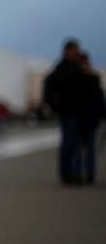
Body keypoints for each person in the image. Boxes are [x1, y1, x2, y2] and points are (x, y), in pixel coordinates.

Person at [44, 39, 84, 184]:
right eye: (74, 50)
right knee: (69, 143)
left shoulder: (76, 67)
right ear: (68, 50)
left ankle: (74, 173)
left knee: (75, 144)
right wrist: (55, 104)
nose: (76, 52)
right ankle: (67, 174)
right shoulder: (62, 69)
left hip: (77, 112)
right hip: (68, 111)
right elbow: (49, 86)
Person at [77, 52, 104, 184]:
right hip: (79, 118)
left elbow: (99, 100)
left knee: (89, 148)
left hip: (91, 119)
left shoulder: (94, 80)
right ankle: (78, 173)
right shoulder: (75, 80)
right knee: (79, 149)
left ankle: (89, 174)